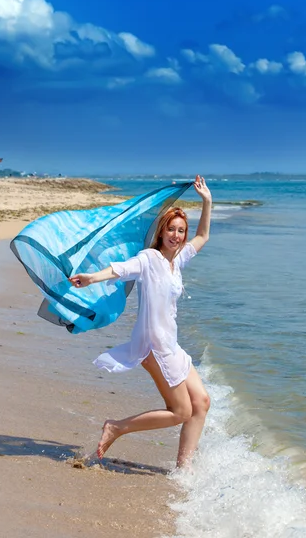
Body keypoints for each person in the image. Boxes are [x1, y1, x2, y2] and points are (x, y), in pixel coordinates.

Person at [69, 175, 212, 467]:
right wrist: (91, 278)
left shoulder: (178, 260)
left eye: (181, 231)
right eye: (171, 229)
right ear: (161, 233)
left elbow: (203, 237)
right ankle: (117, 427)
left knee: (202, 403)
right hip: (154, 347)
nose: (177, 235)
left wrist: (206, 201)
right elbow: (120, 269)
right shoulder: (149, 259)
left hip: (172, 346)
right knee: (181, 411)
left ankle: (184, 470)